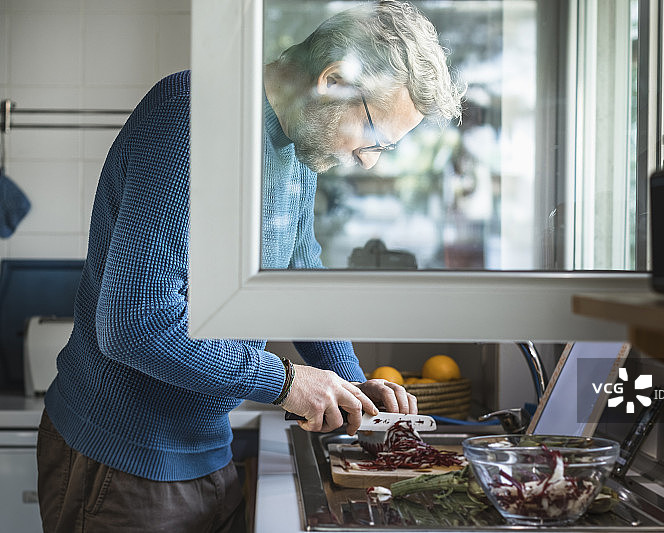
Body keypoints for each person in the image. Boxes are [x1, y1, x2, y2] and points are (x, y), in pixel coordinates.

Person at [36, 1, 465, 532]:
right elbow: (134, 326)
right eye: (373, 137)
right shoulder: (193, 118)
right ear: (332, 82)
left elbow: (301, 289)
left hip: (208, 450)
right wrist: (286, 383)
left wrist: (358, 398)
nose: (368, 160)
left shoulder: (297, 145)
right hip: (122, 461)